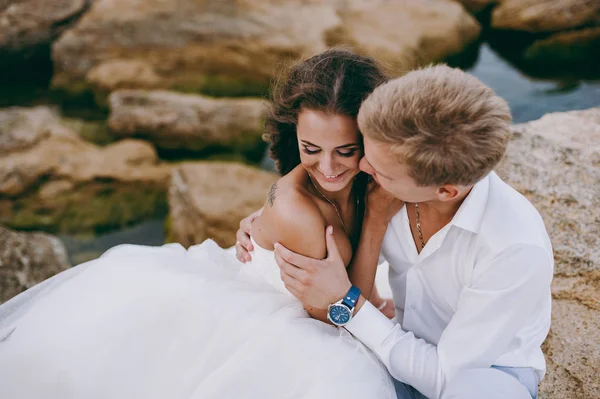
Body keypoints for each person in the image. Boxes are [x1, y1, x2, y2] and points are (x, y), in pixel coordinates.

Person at [0, 49, 398, 399]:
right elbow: (341, 317)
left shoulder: (374, 174)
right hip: (294, 318)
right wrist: (376, 222)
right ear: (294, 131)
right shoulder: (297, 211)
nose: (328, 168)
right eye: (310, 149)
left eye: (346, 150)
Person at [235, 65, 554, 399]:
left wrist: (349, 303)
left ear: (444, 191)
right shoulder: (392, 182)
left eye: (379, 170)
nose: (363, 170)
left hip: (483, 373)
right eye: (364, 152)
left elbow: (443, 377)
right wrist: (265, 225)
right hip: (392, 338)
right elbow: (319, 203)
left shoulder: (514, 249)